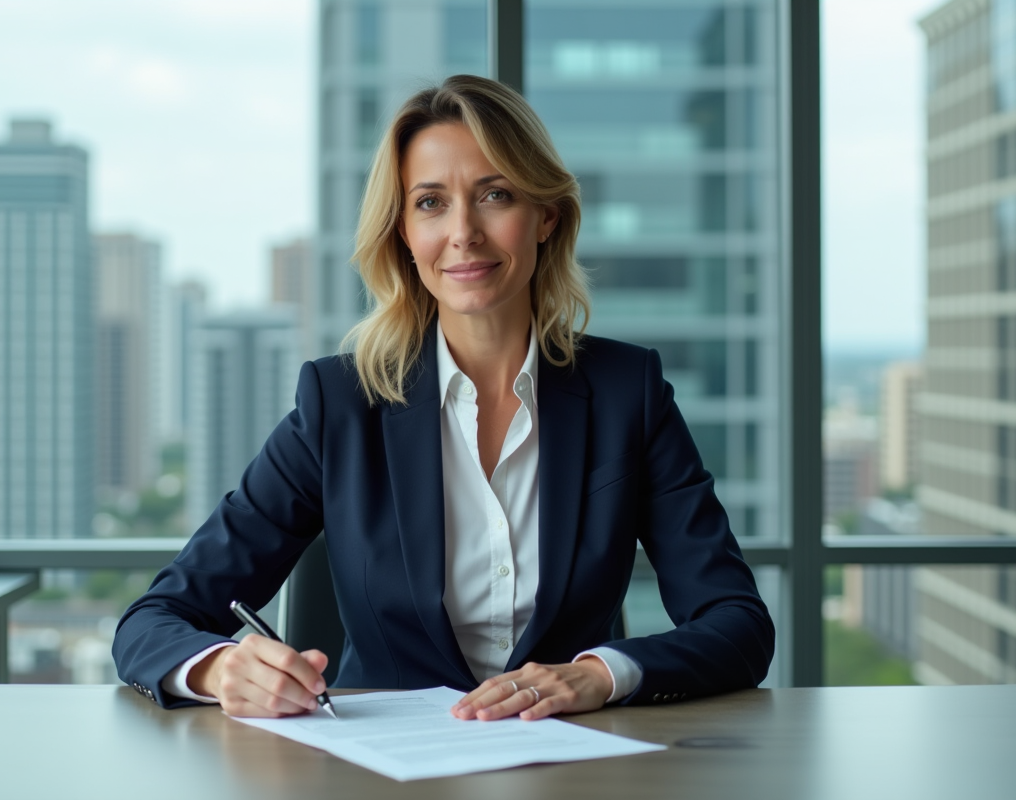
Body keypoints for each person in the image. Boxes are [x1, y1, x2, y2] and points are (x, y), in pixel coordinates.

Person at [113, 74, 774, 722]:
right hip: (382, 774)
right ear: (403, 230)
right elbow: (155, 621)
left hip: (573, 769)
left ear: (544, 215)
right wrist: (221, 668)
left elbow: (738, 624)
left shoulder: (629, 393)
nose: (464, 232)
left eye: (494, 195)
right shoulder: (340, 404)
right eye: (430, 202)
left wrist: (600, 674)